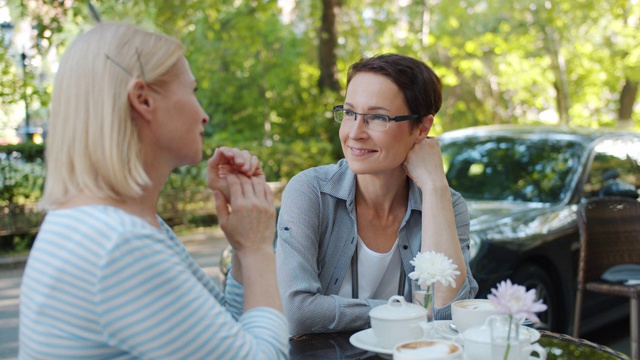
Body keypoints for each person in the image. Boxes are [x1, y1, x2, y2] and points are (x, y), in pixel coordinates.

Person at [18, 22, 288, 359]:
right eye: (192, 90)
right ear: (143, 100)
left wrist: (242, 247)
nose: (203, 115)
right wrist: (258, 248)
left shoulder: (112, 224)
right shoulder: (119, 243)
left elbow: (227, 335)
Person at [276, 53, 478, 335]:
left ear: (422, 128)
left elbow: (447, 313)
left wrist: (434, 187)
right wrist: (407, 312)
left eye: (377, 117)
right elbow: (297, 313)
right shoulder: (311, 192)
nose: (354, 132)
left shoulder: (446, 203)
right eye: (349, 113)